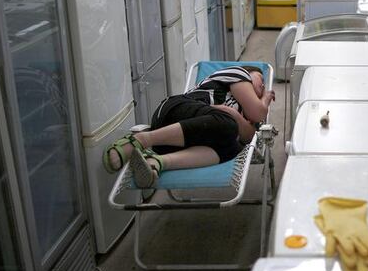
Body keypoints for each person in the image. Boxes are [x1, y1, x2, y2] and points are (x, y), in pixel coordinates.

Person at [103, 66, 274, 188]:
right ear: (248, 72)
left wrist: (234, 115)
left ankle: (157, 162)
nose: (264, 85)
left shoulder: (244, 114)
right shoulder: (237, 73)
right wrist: (264, 99)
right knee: (229, 125)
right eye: (261, 79)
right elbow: (258, 112)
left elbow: (248, 136)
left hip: (175, 145)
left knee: (234, 147)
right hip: (175, 112)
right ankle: (142, 139)